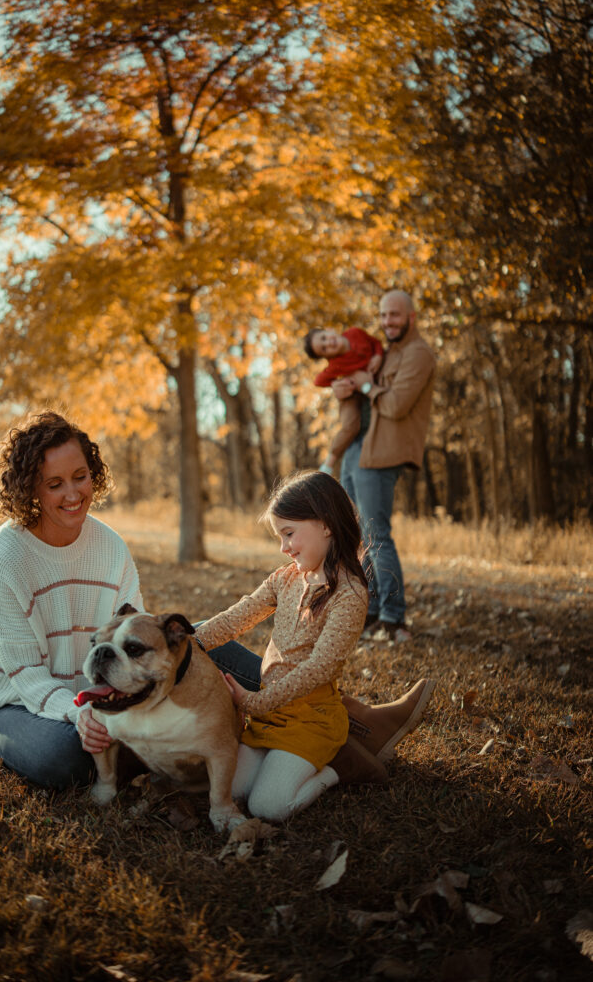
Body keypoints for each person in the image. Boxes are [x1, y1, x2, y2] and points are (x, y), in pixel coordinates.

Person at [195, 470, 435, 823]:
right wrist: (190, 640)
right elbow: (238, 616)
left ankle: (336, 769)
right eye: (280, 536)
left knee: (268, 808)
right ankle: (288, 762)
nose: (283, 547)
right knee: (229, 788)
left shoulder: (350, 595)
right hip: (270, 716)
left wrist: (253, 702)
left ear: (325, 524)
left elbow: (318, 668)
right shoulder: (286, 578)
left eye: (289, 533)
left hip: (311, 720)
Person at [0, 410, 146, 790]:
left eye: (80, 477)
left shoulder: (110, 547)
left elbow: (136, 632)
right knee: (63, 757)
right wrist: (79, 714)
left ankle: (283, 704)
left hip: (93, 697)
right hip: (5, 705)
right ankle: (138, 752)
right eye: (54, 484)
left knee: (200, 643)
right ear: (31, 488)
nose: (73, 494)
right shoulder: (3, 557)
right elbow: (27, 676)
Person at [333, 289, 436, 643]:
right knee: (358, 536)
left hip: (382, 452)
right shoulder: (385, 352)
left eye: (394, 315)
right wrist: (348, 387)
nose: (387, 321)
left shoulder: (418, 354)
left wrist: (365, 384)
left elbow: (394, 406)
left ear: (411, 317)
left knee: (377, 535)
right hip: (357, 448)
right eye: (382, 315)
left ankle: (394, 619)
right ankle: (371, 613)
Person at [304, 325, 383, 476]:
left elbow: (375, 342)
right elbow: (318, 381)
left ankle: (367, 388)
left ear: (330, 330)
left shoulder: (355, 333)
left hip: (371, 381)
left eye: (324, 338)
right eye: (324, 349)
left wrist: (378, 356)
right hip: (352, 394)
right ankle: (329, 463)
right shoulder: (336, 365)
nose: (329, 343)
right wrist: (335, 383)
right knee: (350, 425)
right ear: (326, 357)